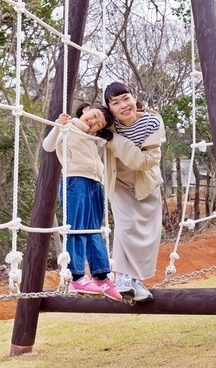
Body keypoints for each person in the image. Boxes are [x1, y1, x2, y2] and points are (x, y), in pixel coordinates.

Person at [42, 102, 123, 301]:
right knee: (77, 228)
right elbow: (48, 146)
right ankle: (77, 276)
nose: (93, 122)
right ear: (86, 109)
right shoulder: (68, 127)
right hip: (75, 181)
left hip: (94, 184)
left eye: (99, 124)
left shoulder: (91, 137)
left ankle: (101, 276)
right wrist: (57, 125)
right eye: (94, 115)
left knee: (94, 230)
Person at [101, 82, 166, 302]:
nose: (123, 106)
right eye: (115, 103)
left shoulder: (151, 121)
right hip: (119, 182)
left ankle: (135, 281)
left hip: (145, 182)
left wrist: (114, 142)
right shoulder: (108, 125)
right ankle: (122, 278)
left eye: (125, 98)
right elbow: (86, 121)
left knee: (149, 235)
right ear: (109, 108)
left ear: (133, 98)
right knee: (125, 226)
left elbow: (147, 161)